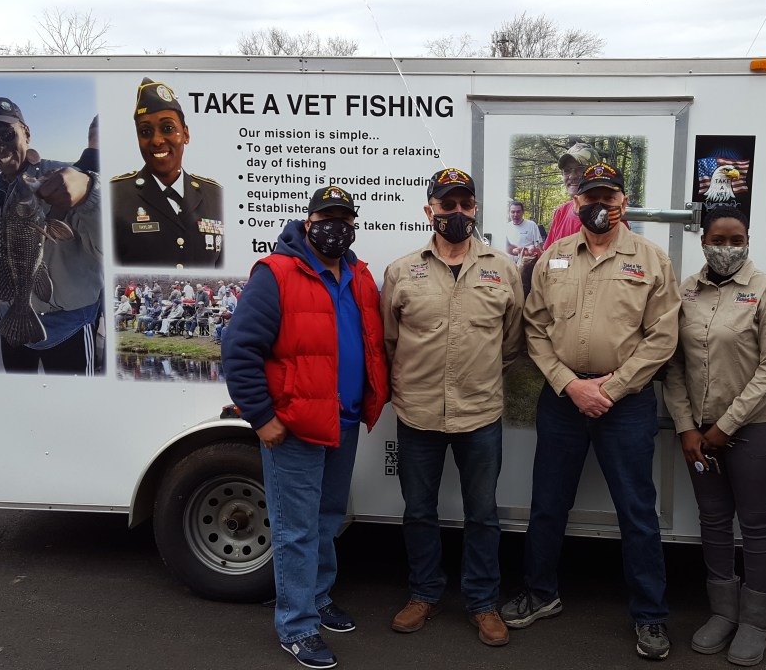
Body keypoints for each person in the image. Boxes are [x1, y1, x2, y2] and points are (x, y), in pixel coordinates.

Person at [501, 161, 681, 661]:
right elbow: (534, 328)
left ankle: (650, 614)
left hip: (626, 403)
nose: (599, 205)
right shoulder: (554, 257)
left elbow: (662, 336)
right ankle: (540, 593)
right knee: (547, 502)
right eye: (590, 197)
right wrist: (570, 385)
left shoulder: (651, 260)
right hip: (563, 400)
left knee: (637, 511)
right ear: (576, 202)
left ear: (623, 202)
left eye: (609, 197)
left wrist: (612, 388)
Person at [222, 185, 390, 670]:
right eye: (326, 217)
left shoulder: (359, 276)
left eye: (344, 218)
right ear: (308, 221)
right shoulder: (276, 273)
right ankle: (296, 626)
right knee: (294, 529)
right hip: (294, 427)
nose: (335, 227)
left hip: (343, 421)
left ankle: (317, 597)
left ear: (353, 225)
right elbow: (239, 349)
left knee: (328, 517)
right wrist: (262, 417)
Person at [381, 167, 524, 648]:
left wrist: (479, 375)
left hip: (479, 414)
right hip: (417, 413)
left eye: (465, 204)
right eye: (447, 205)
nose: (457, 212)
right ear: (430, 211)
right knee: (419, 511)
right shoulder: (402, 271)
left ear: (475, 208)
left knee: (482, 514)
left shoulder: (503, 269)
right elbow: (390, 339)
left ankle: (483, 602)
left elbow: (512, 341)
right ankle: (424, 593)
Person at [661, 206, 766, 666]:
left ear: (747, 241)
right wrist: (686, 426)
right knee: (714, 520)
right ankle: (722, 613)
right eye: (718, 239)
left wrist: (726, 426)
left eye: (736, 240)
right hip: (700, 432)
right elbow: (673, 365)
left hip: (757, 428)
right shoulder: (687, 292)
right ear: (703, 242)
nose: (726, 248)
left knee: (755, 524)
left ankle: (755, 622)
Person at [0, 96, 102, 374]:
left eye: (6, 134)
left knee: (74, 400)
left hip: (67, 325)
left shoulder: (68, 178)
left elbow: (108, 248)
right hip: (11, 318)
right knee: (20, 397)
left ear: (26, 132)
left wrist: (89, 194)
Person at [111, 77, 223, 269]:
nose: (156, 140)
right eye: (145, 132)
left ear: (185, 134)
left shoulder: (215, 195)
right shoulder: (115, 196)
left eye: (168, 128)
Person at [543, 142, 596, 247]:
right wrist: (534, 254)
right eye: (567, 170)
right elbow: (549, 254)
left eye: (580, 169)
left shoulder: (612, 216)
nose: (572, 176)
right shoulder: (560, 213)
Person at [505, 200, 543, 265]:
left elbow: (539, 246)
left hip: (527, 263)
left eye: (518, 212)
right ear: (509, 213)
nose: (515, 214)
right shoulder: (506, 227)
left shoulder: (531, 225)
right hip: (510, 263)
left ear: (523, 212)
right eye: (513, 212)